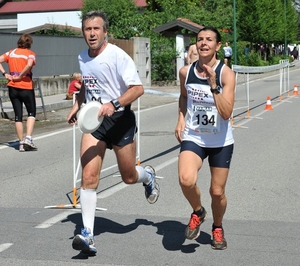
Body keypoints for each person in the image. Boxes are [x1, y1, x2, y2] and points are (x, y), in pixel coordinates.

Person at [66, 10, 160, 255]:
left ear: (105, 32)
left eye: (96, 29)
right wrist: (78, 105)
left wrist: (114, 104)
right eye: (88, 29)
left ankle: (147, 176)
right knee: (88, 178)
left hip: (120, 120)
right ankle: (88, 233)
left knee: (128, 176)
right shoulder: (82, 57)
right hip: (95, 123)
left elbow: (138, 89)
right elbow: (88, 83)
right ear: (83, 33)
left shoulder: (118, 56)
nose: (92, 33)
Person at [175, 26, 235, 250]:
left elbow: (227, 113)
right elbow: (183, 96)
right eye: (200, 39)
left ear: (217, 46)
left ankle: (217, 227)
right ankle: (198, 211)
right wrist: (181, 118)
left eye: (209, 40)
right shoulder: (185, 72)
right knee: (185, 179)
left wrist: (214, 87)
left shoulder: (225, 74)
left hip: (220, 141)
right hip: (194, 136)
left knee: (217, 192)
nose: (203, 43)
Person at [0, 34, 37, 152]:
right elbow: (29, 64)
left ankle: (21, 143)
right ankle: (28, 138)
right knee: (31, 113)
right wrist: (21, 75)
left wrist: (5, 73)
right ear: (29, 43)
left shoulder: (11, 52)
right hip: (26, 86)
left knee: (18, 116)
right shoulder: (30, 54)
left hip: (13, 87)